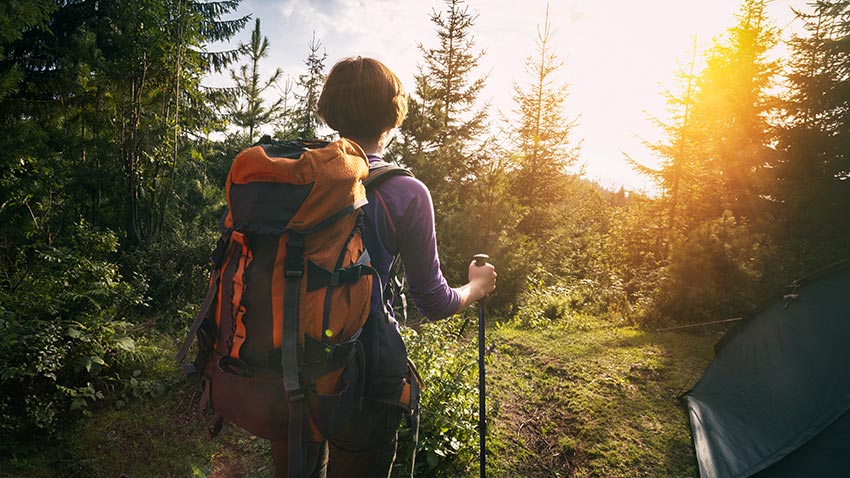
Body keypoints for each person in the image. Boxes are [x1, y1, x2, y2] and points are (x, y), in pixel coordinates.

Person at [269, 56, 497, 478]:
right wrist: (475, 288)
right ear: (392, 117)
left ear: (331, 111)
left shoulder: (298, 179)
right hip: (364, 378)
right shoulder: (406, 192)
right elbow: (432, 301)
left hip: (288, 363)